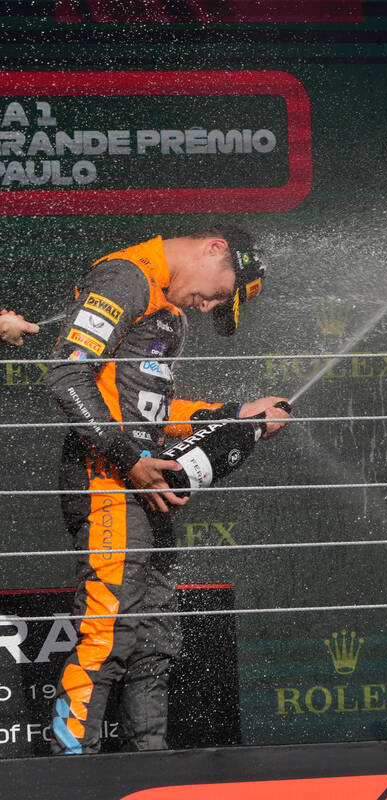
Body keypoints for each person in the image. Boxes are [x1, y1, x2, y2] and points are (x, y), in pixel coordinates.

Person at [44, 225, 291, 754]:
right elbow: (66, 374)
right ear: (214, 248)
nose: (208, 308)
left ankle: (150, 767)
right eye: (219, 295)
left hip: (141, 479)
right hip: (104, 478)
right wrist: (129, 458)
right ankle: (70, 770)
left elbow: (154, 413)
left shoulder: (169, 310)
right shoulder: (126, 277)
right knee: (108, 630)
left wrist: (234, 415)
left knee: (154, 639)